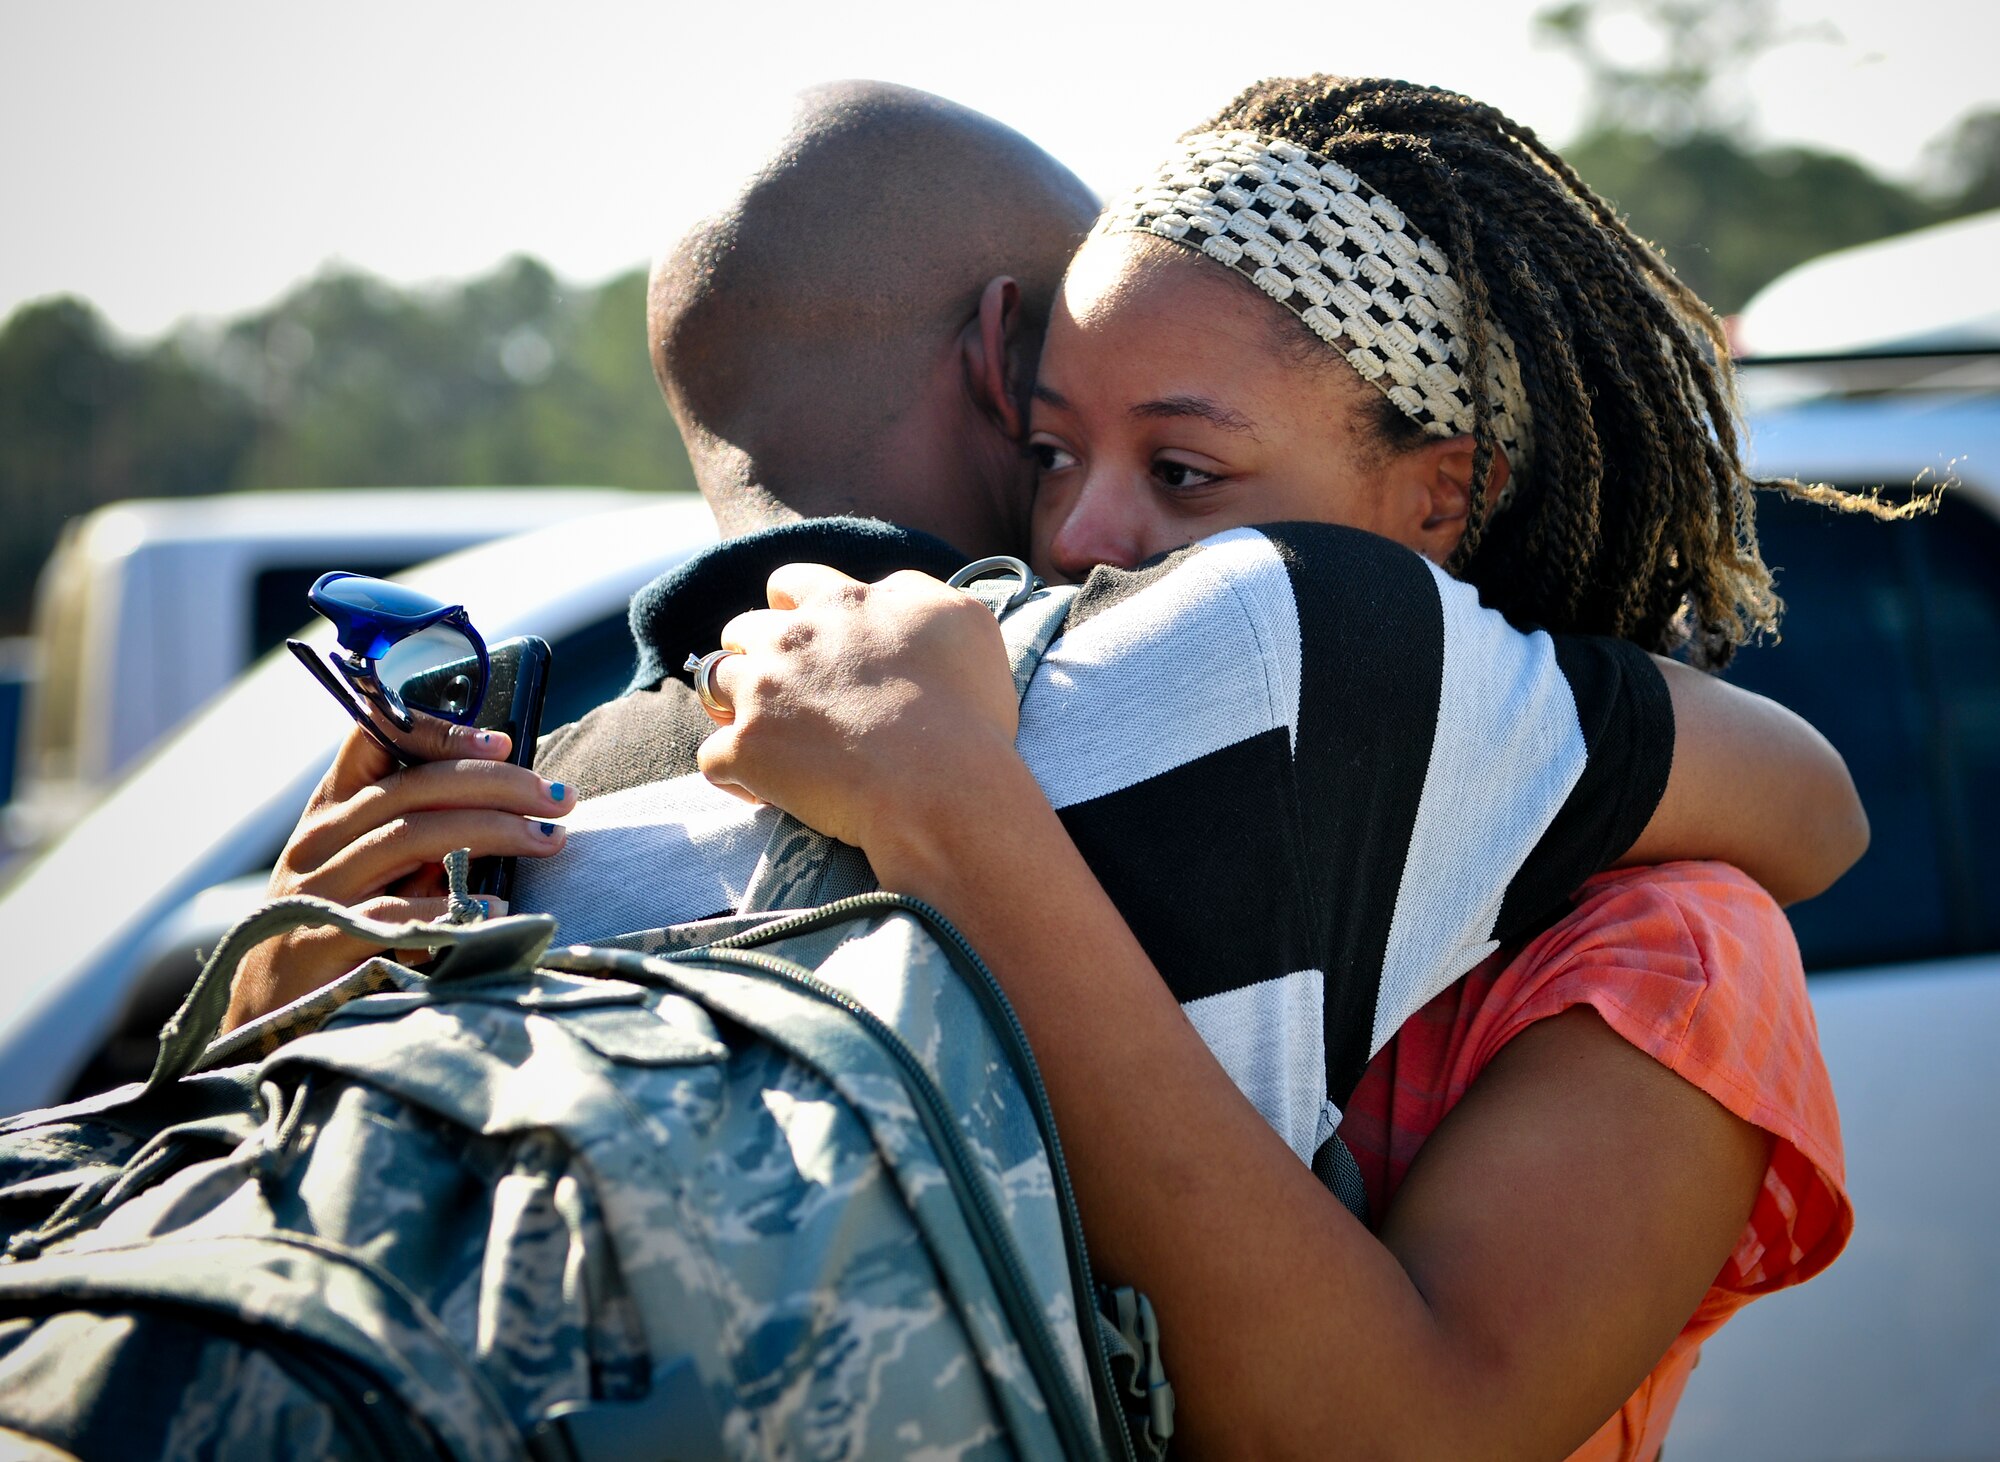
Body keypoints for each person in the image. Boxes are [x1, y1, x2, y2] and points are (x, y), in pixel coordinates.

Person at [226, 80, 1862, 1458]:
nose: (1078, 537)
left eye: (1184, 468)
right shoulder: (845, 757)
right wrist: (298, 1009)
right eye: (1054, 448)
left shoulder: (1659, 949)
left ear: (1444, 497)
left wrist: (957, 819)